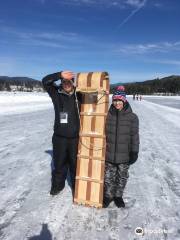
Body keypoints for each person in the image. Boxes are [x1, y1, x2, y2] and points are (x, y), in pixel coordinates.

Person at [42, 71, 81, 196]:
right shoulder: (56, 94)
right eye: (64, 81)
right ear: (61, 82)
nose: (66, 84)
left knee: (75, 164)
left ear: (73, 83)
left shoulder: (79, 95)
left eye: (69, 81)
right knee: (59, 163)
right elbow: (45, 81)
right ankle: (58, 185)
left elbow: (94, 95)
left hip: (75, 138)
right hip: (59, 137)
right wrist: (59, 75)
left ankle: (76, 186)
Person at [103, 86, 139, 208]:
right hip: (109, 153)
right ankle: (108, 196)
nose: (117, 103)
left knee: (121, 177)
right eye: (115, 100)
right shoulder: (107, 115)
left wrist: (134, 151)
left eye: (119, 100)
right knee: (108, 177)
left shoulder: (132, 117)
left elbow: (135, 136)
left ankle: (118, 196)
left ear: (124, 101)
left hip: (125, 154)